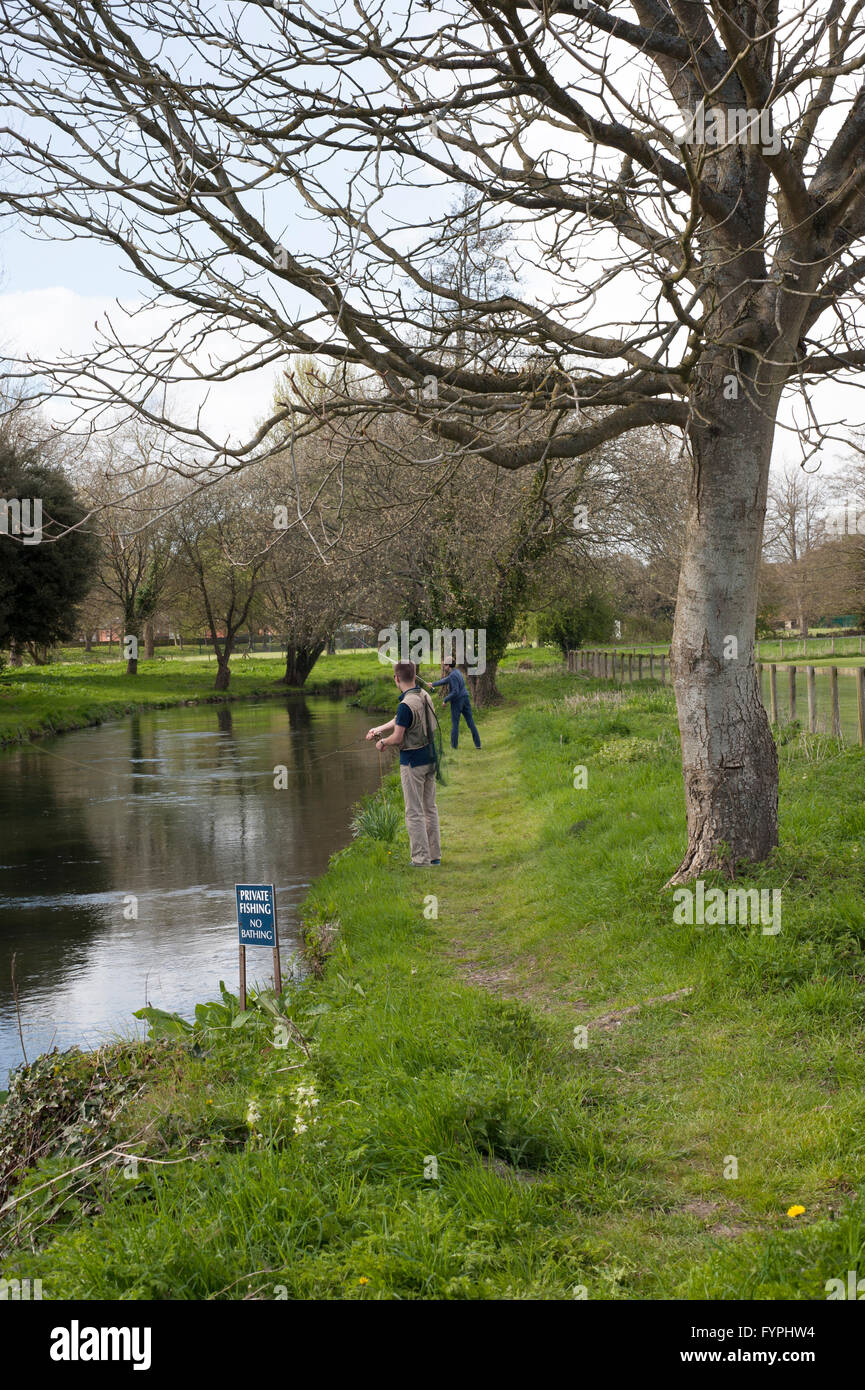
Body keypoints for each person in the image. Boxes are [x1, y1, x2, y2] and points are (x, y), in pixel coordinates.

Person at [366, 661, 441, 867]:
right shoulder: (423, 695)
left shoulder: (405, 704)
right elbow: (399, 719)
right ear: (414, 676)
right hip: (430, 758)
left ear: (396, 679)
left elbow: (398, 737)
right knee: (430, 808)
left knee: (414, 812)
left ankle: (419, 859)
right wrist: (378, 728)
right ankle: (434, 856)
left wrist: (382, 742)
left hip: (413, 764)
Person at [431, 659, 482, 750]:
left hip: (457, 701)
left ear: (448, 666)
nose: (443, 667)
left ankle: (454, 746)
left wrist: (445, 700)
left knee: (455, 724)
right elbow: (446, 680)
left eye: (444, 665)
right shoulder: (457, 672)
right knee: (470, 722)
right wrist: (433, 684)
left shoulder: (452, 676)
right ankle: (478, 744)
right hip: (465, 698)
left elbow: (455, 691)